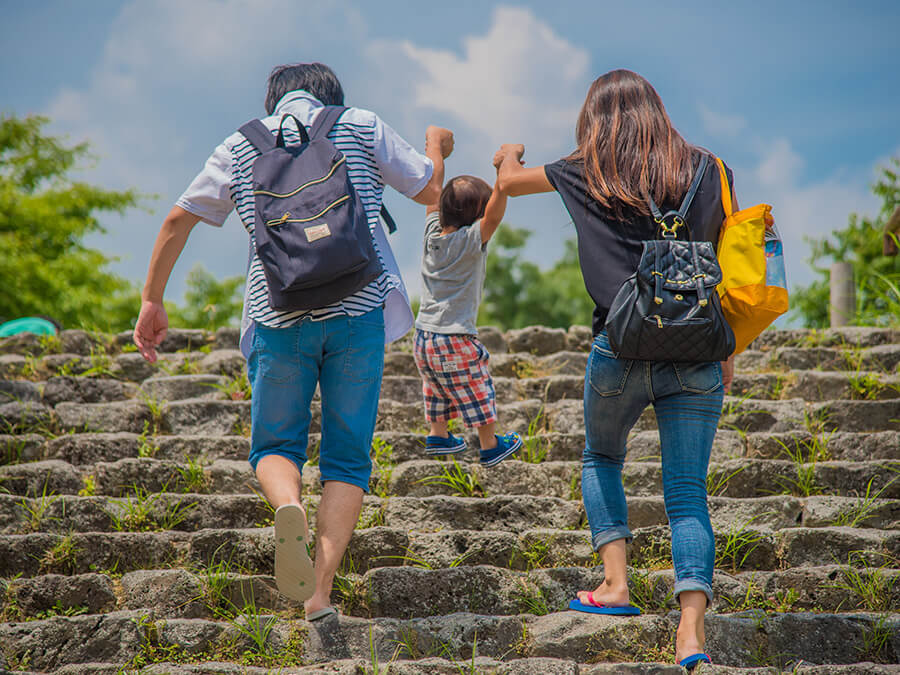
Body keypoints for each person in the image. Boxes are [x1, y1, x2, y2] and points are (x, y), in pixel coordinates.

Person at [133, 62, 453, 621]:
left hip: (279, 316)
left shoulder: (239, 144)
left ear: (273, 101)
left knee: (274, 446)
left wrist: (152, 300)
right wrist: (435, 144)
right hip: (357, 313)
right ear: (332, 95)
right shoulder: (358, 124)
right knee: (347, 460)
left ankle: (289, 507)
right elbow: (432, 190)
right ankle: (319, 595)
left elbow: (176, 220)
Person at [492, 69, 737, 670]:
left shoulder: (585, 170)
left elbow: (507, 181)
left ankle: (615, 586)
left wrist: (510, 153)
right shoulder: (711, 170)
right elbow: (729, 267)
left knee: (602, 457)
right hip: (698, 350)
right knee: (687, 494)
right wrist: (727, 355)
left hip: (620, 347)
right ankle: (691, 633)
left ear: (593, 120)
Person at [413, 172, 523, 466]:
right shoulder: (471, 240)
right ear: (478, 216)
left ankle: (439, 434)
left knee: (436, 387)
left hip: (423, 338)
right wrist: (504, 173)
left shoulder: (431, 236)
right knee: (477, 385)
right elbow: (495, 215)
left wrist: (435, 148)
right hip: (454, 338)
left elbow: (431, 196)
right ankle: (489, 445)